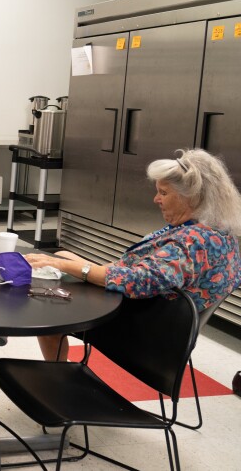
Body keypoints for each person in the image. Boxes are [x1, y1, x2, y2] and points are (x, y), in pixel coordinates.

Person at [27, 149, 241, 361]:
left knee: (49, 307)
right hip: (162, 317)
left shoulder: (193, 241)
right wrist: (68, 263)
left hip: (143, 329)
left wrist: (66, 266)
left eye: (164, 193)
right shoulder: (218, 231)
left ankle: (56, 373)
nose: (156, 199)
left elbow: (139, 282)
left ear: (192, 198)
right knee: (62, 255)